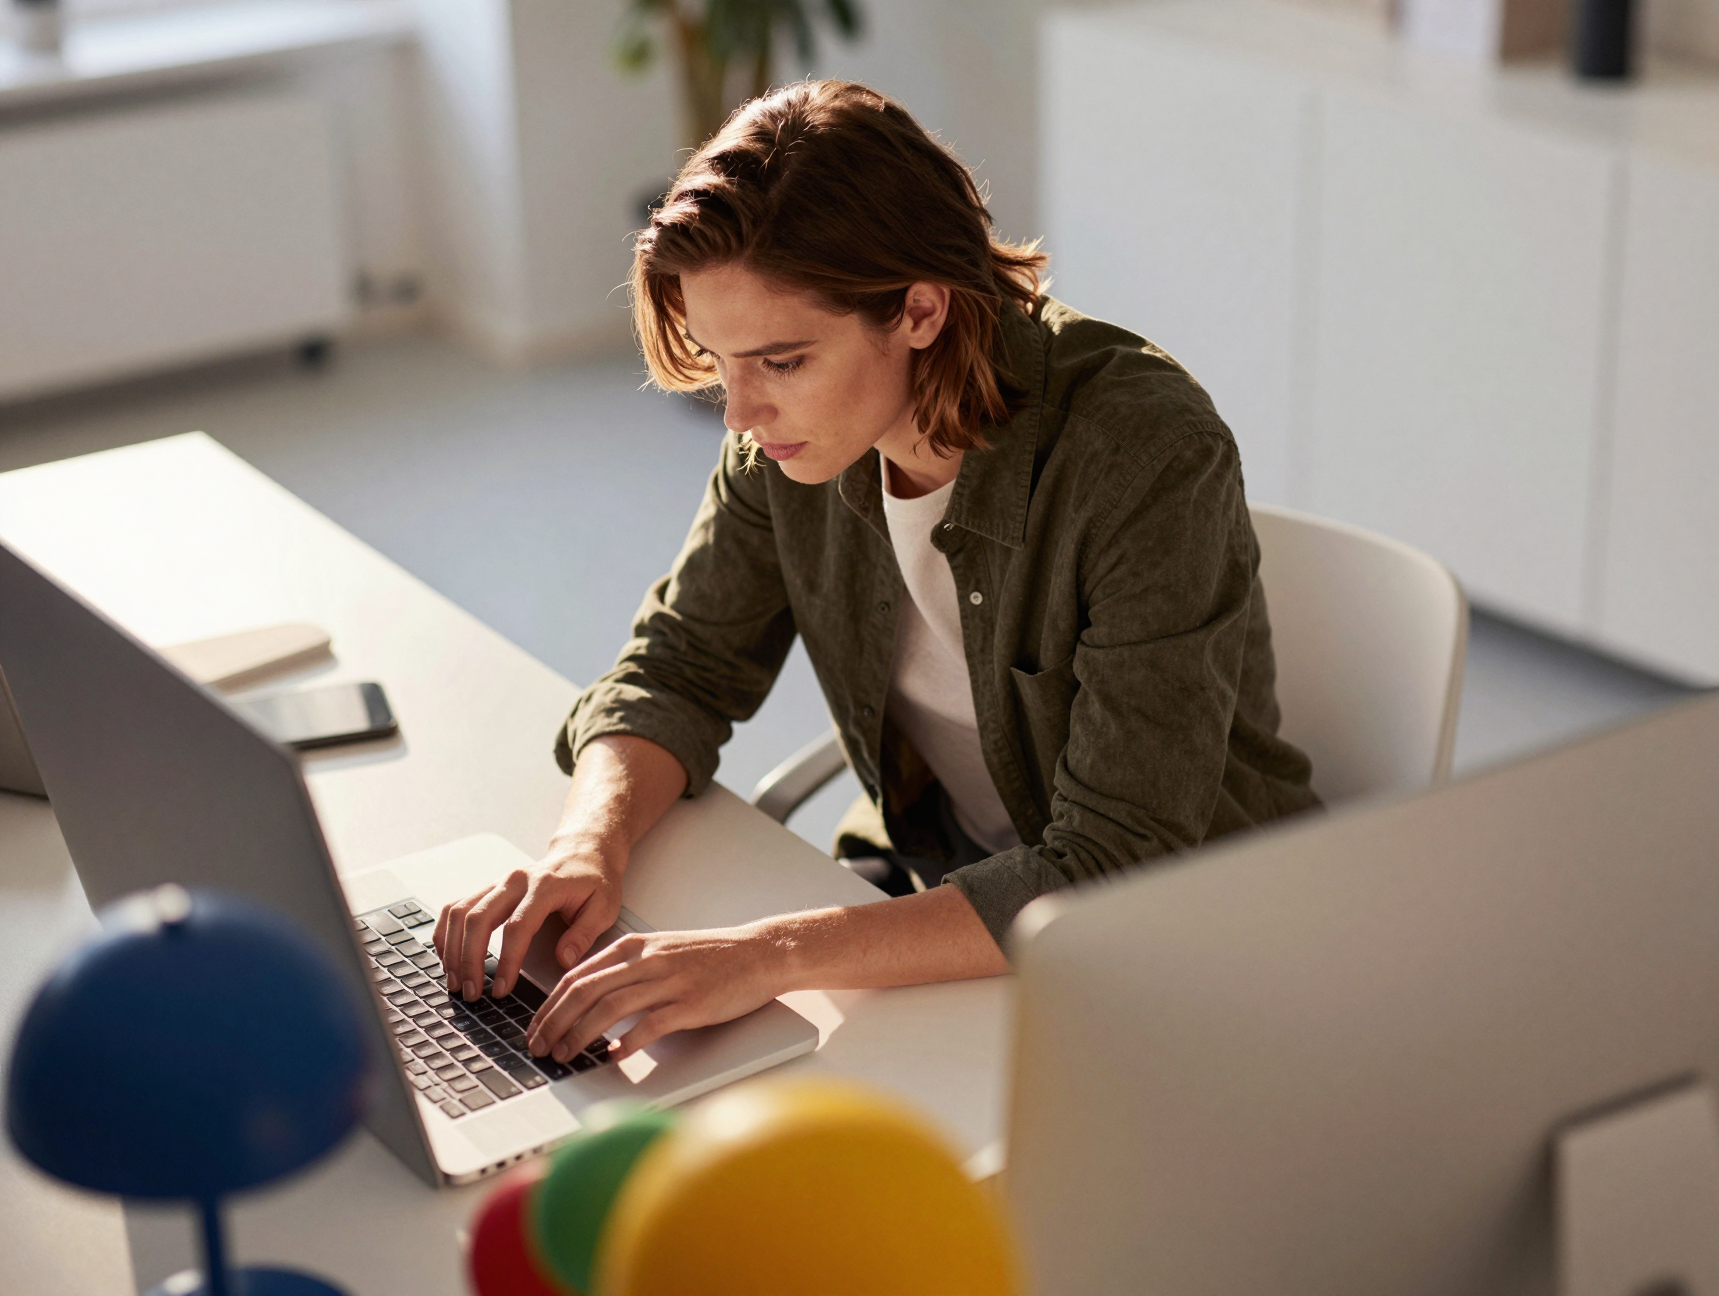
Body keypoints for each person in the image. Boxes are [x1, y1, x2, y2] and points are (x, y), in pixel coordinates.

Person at [434, 79, 1319, 1068]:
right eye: (720, 362)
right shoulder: (793, 441)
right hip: (940, 879)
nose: (738, 413)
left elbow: (1117, 861)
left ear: (921, 310)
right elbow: (679, 667)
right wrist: (582, 847)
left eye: (780, 360)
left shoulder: (1139, 452)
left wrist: (772, 953)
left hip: (1182, 951)